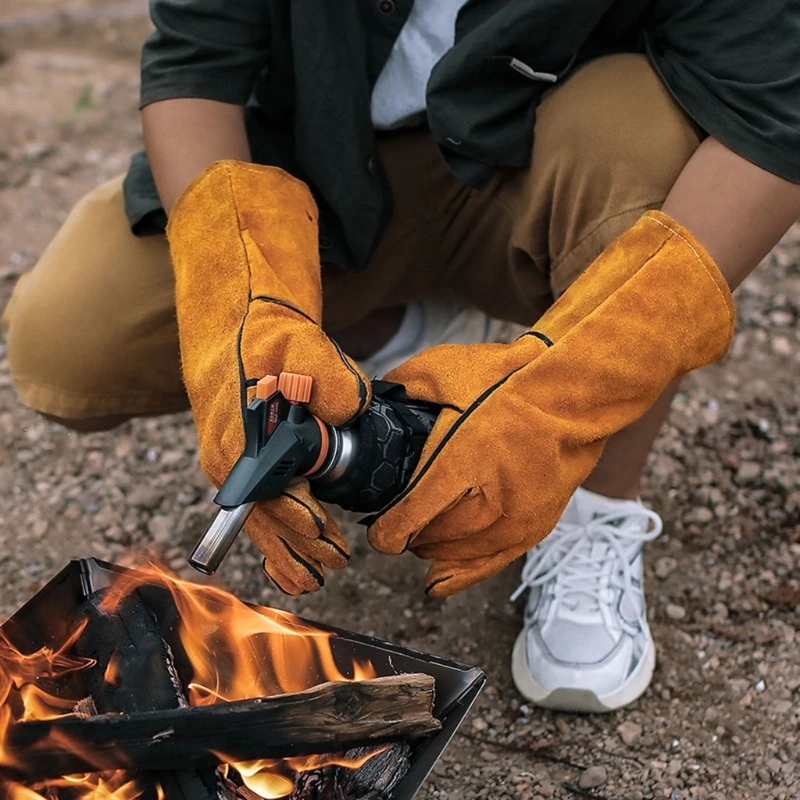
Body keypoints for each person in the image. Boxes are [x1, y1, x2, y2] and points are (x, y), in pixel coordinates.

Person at [3, 1, 800, 714]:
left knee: (651, 152)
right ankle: (401, 337)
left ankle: (593, 508)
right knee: (68, 341)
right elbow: (195, 66)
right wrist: (239, 313)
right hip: (320, 170)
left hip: (532, 160)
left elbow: (773, 118)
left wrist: (555, 399)